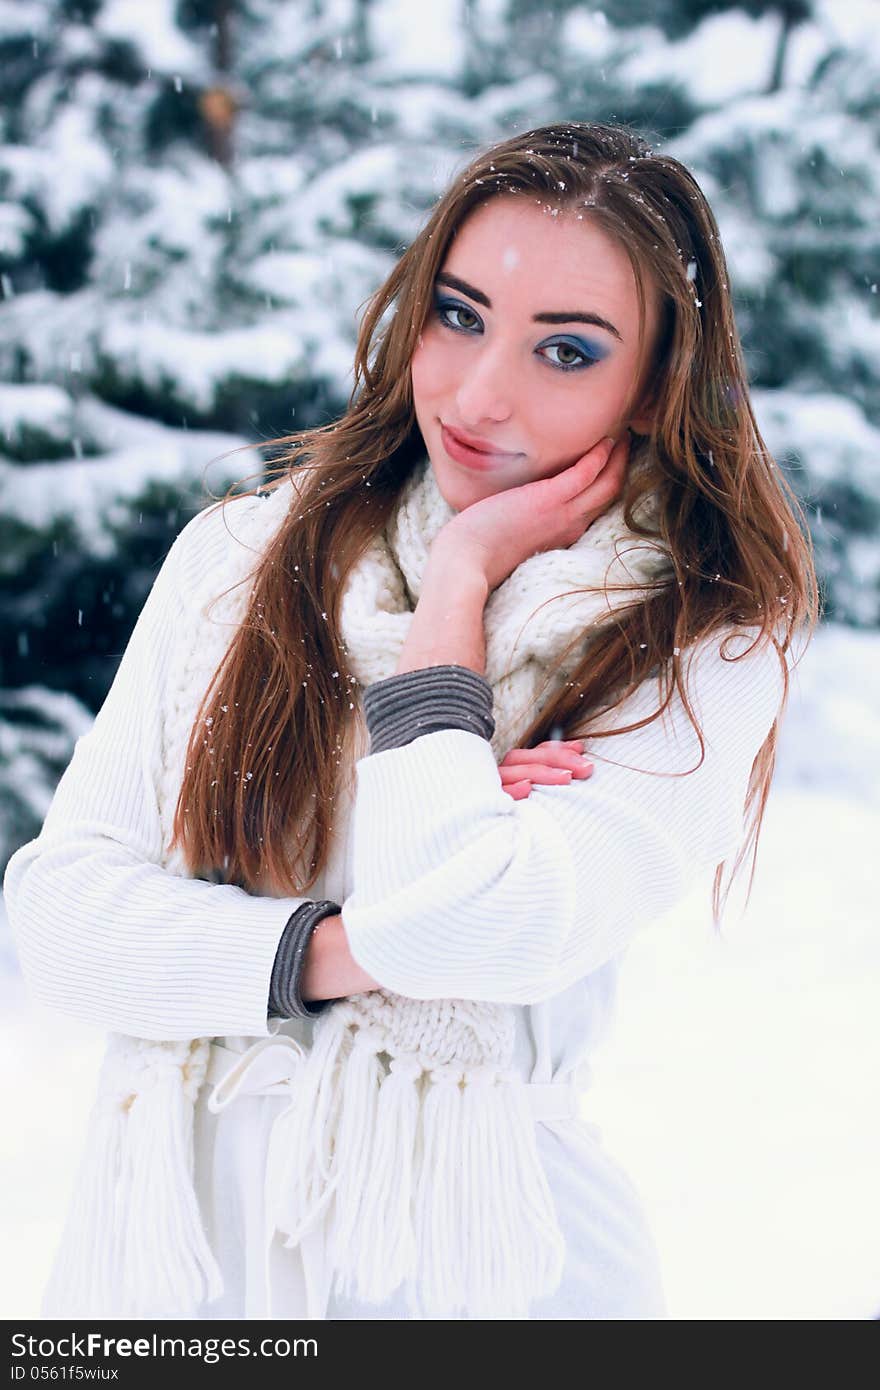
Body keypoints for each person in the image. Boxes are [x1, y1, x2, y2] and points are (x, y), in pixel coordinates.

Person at [3, 120, 818, 1321]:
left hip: (478, 1272)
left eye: (566, 350)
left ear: (654, 384)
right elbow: (62, 918)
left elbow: (478, 927)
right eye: (458, 314)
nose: (480, 394)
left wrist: (457, 595)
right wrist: (335, 950)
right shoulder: (239, 558)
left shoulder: (701, 635)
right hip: (189, 1267)